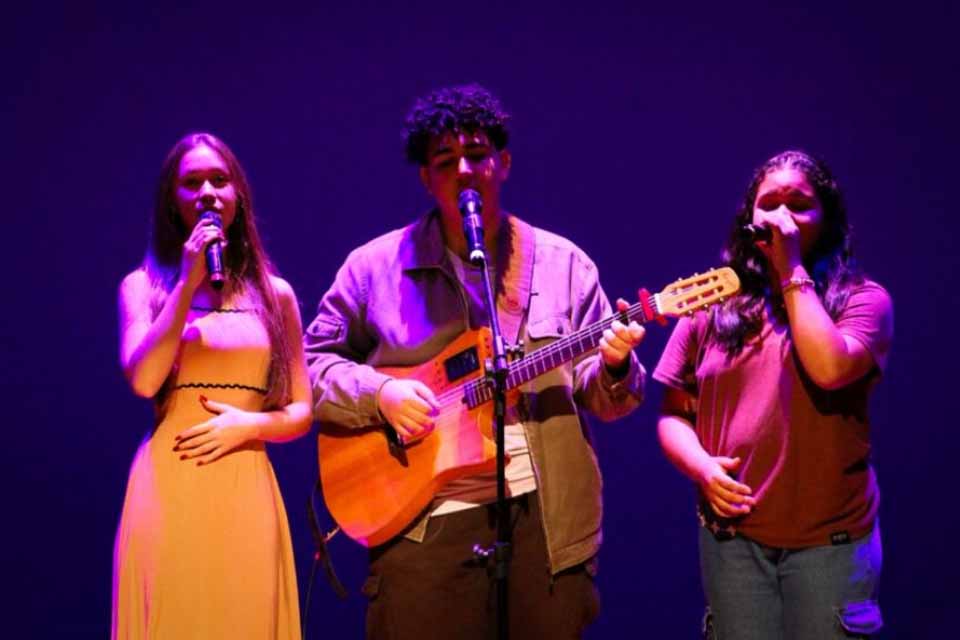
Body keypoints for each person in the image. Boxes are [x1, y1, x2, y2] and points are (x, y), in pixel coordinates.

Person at [304, 84, 646, 638]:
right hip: (422, 527)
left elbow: (608, 400)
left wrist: (613, 365)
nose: (465, 170)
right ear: (426, 177)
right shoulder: (373, 269)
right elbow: (310, 367)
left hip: (544, 522)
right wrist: (382, 395)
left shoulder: (563, 265)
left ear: (503, 163)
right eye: (446, 160)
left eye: (478, 155)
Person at [654, 150, 893, 639]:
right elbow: (673, 414)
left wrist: (791, 271)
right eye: (769, 204)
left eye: (799, 204)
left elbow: (829, 368)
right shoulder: (711, 305)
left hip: (829, 544)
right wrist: (701, 466)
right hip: (734, 544)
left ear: (826, 219)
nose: (781, 217)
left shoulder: (863, 299)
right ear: (749, 219)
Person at [111, 133, 312, 639]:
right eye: (191, 182)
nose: (206, 193)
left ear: (237, 196)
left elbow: (302, 410)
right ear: (172, 200)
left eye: (219, 181)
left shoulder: (276, 294)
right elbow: (145, 379)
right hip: (170, 484)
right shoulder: (143, 287)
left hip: (245, 484)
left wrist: (248, 426)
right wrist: (185, 282)